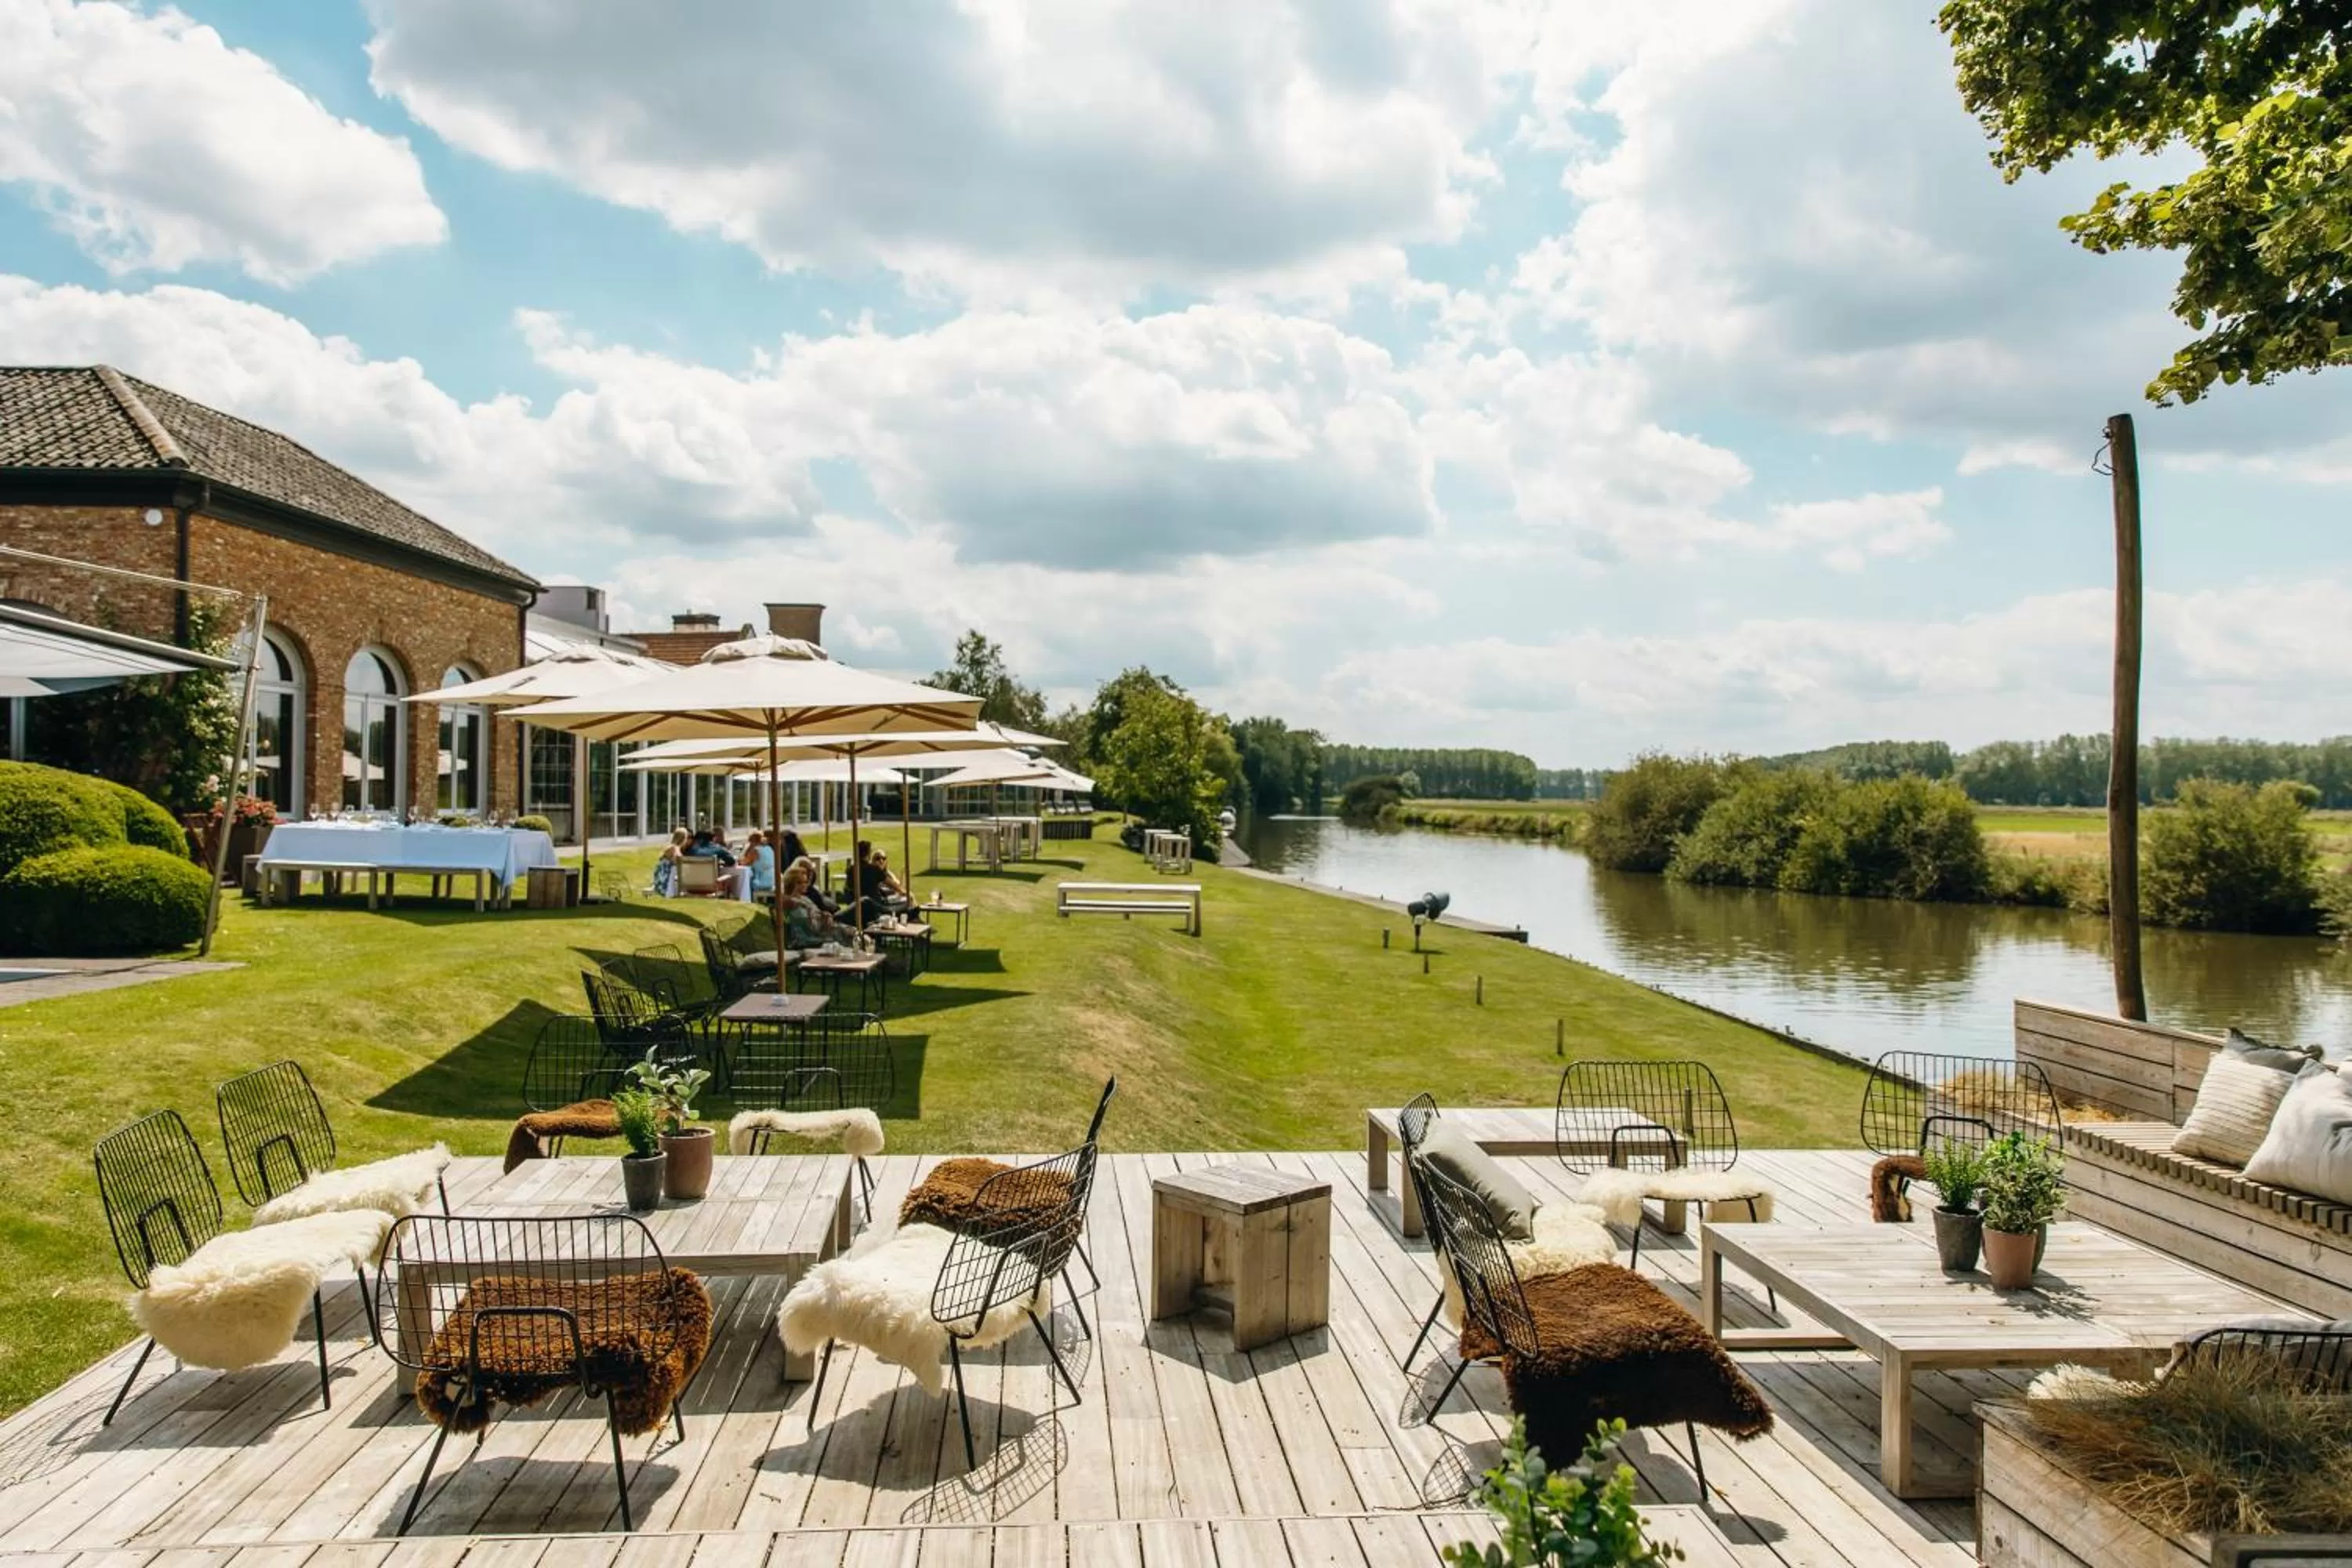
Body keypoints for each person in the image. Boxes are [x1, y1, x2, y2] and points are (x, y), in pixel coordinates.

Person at [781, 861, 834, 949]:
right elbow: (812, 927)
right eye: (802, 882)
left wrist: (826, 915)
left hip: (824, 931)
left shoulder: (805, 899)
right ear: (793, 883)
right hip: (809, 940)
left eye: (806, 882)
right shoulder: (790, 902)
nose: (806, 885)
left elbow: (819, 914)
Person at [652, 826, 690, 898]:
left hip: (668, 873)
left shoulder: (675, 848)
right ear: (683, 838)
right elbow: (675, 862)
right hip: (667, 876)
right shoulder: (673, 848)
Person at [745, 829, 778, 900]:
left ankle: (746, 898)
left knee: (747, 880)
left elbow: (745, 862)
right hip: (772, 879)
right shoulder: (769, 848)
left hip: (761, 881)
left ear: (752, 842)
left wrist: (749, 848)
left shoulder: (756, 850)